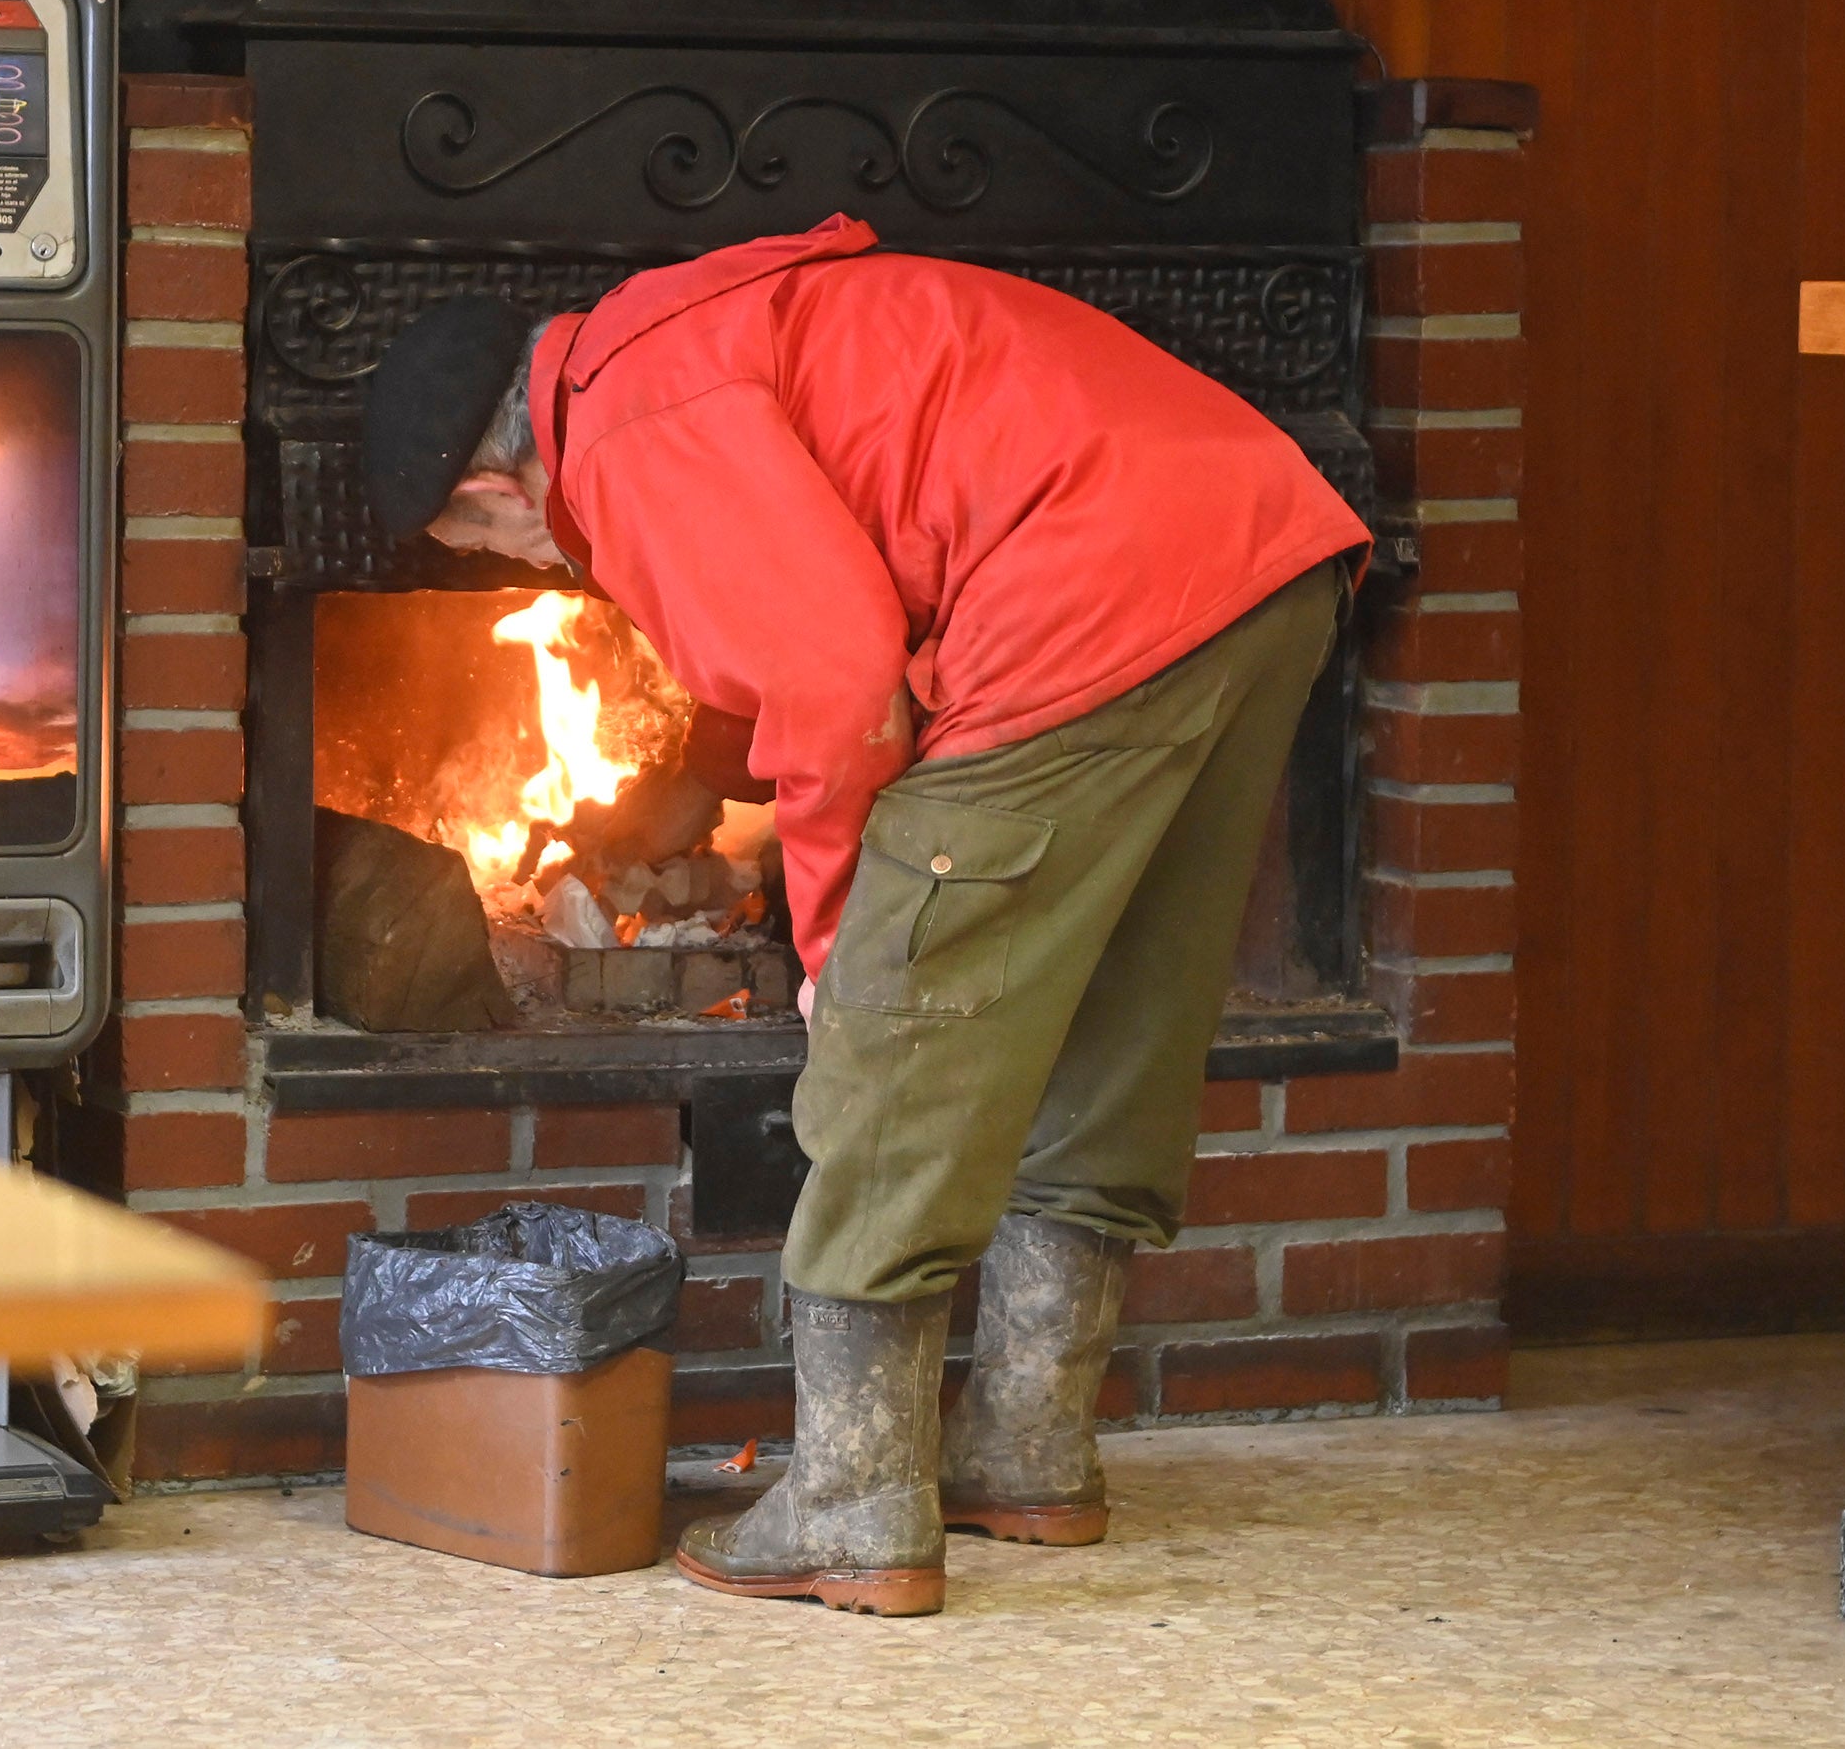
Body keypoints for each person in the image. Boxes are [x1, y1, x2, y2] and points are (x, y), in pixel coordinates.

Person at [361, 214, 1371, 1618]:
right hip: (1263, 564)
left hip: (1081, 595)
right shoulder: (674, 342)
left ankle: (852, 1498)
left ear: (487, 487)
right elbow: (834, 594)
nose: (522, 569)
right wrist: (713, 770)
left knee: (896, 1049)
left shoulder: (629, 426)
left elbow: (839, 689)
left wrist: (839, 949)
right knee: (1118, 1019)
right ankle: (1024, 1445)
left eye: (480, 544)